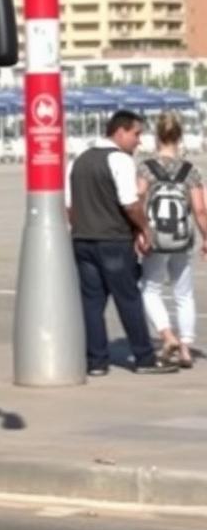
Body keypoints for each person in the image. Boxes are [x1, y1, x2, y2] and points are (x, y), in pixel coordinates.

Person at [66, 109, 177, 375]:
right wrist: (144, 228)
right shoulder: (120, 160)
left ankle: (96, 362)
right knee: (128, 299)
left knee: (91, 303)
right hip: (113, 240)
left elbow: (68, 206)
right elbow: (130, 203)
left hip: (82, 239)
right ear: (120, 132)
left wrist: (81, 227)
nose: (139, 141)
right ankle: (144, 358)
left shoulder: (77, 161)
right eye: (136, 134)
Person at [137, 111, 207, 368]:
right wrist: (206, 237)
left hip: (156, 238)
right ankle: (186, 347)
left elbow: (140, 199)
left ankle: (167, 335)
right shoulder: (191, 170)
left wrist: (139, 231)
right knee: (184, 293)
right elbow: (200, 209)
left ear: (157, 136)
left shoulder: (146, 167)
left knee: (150, 288)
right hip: (182, 238)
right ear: (180, 137)